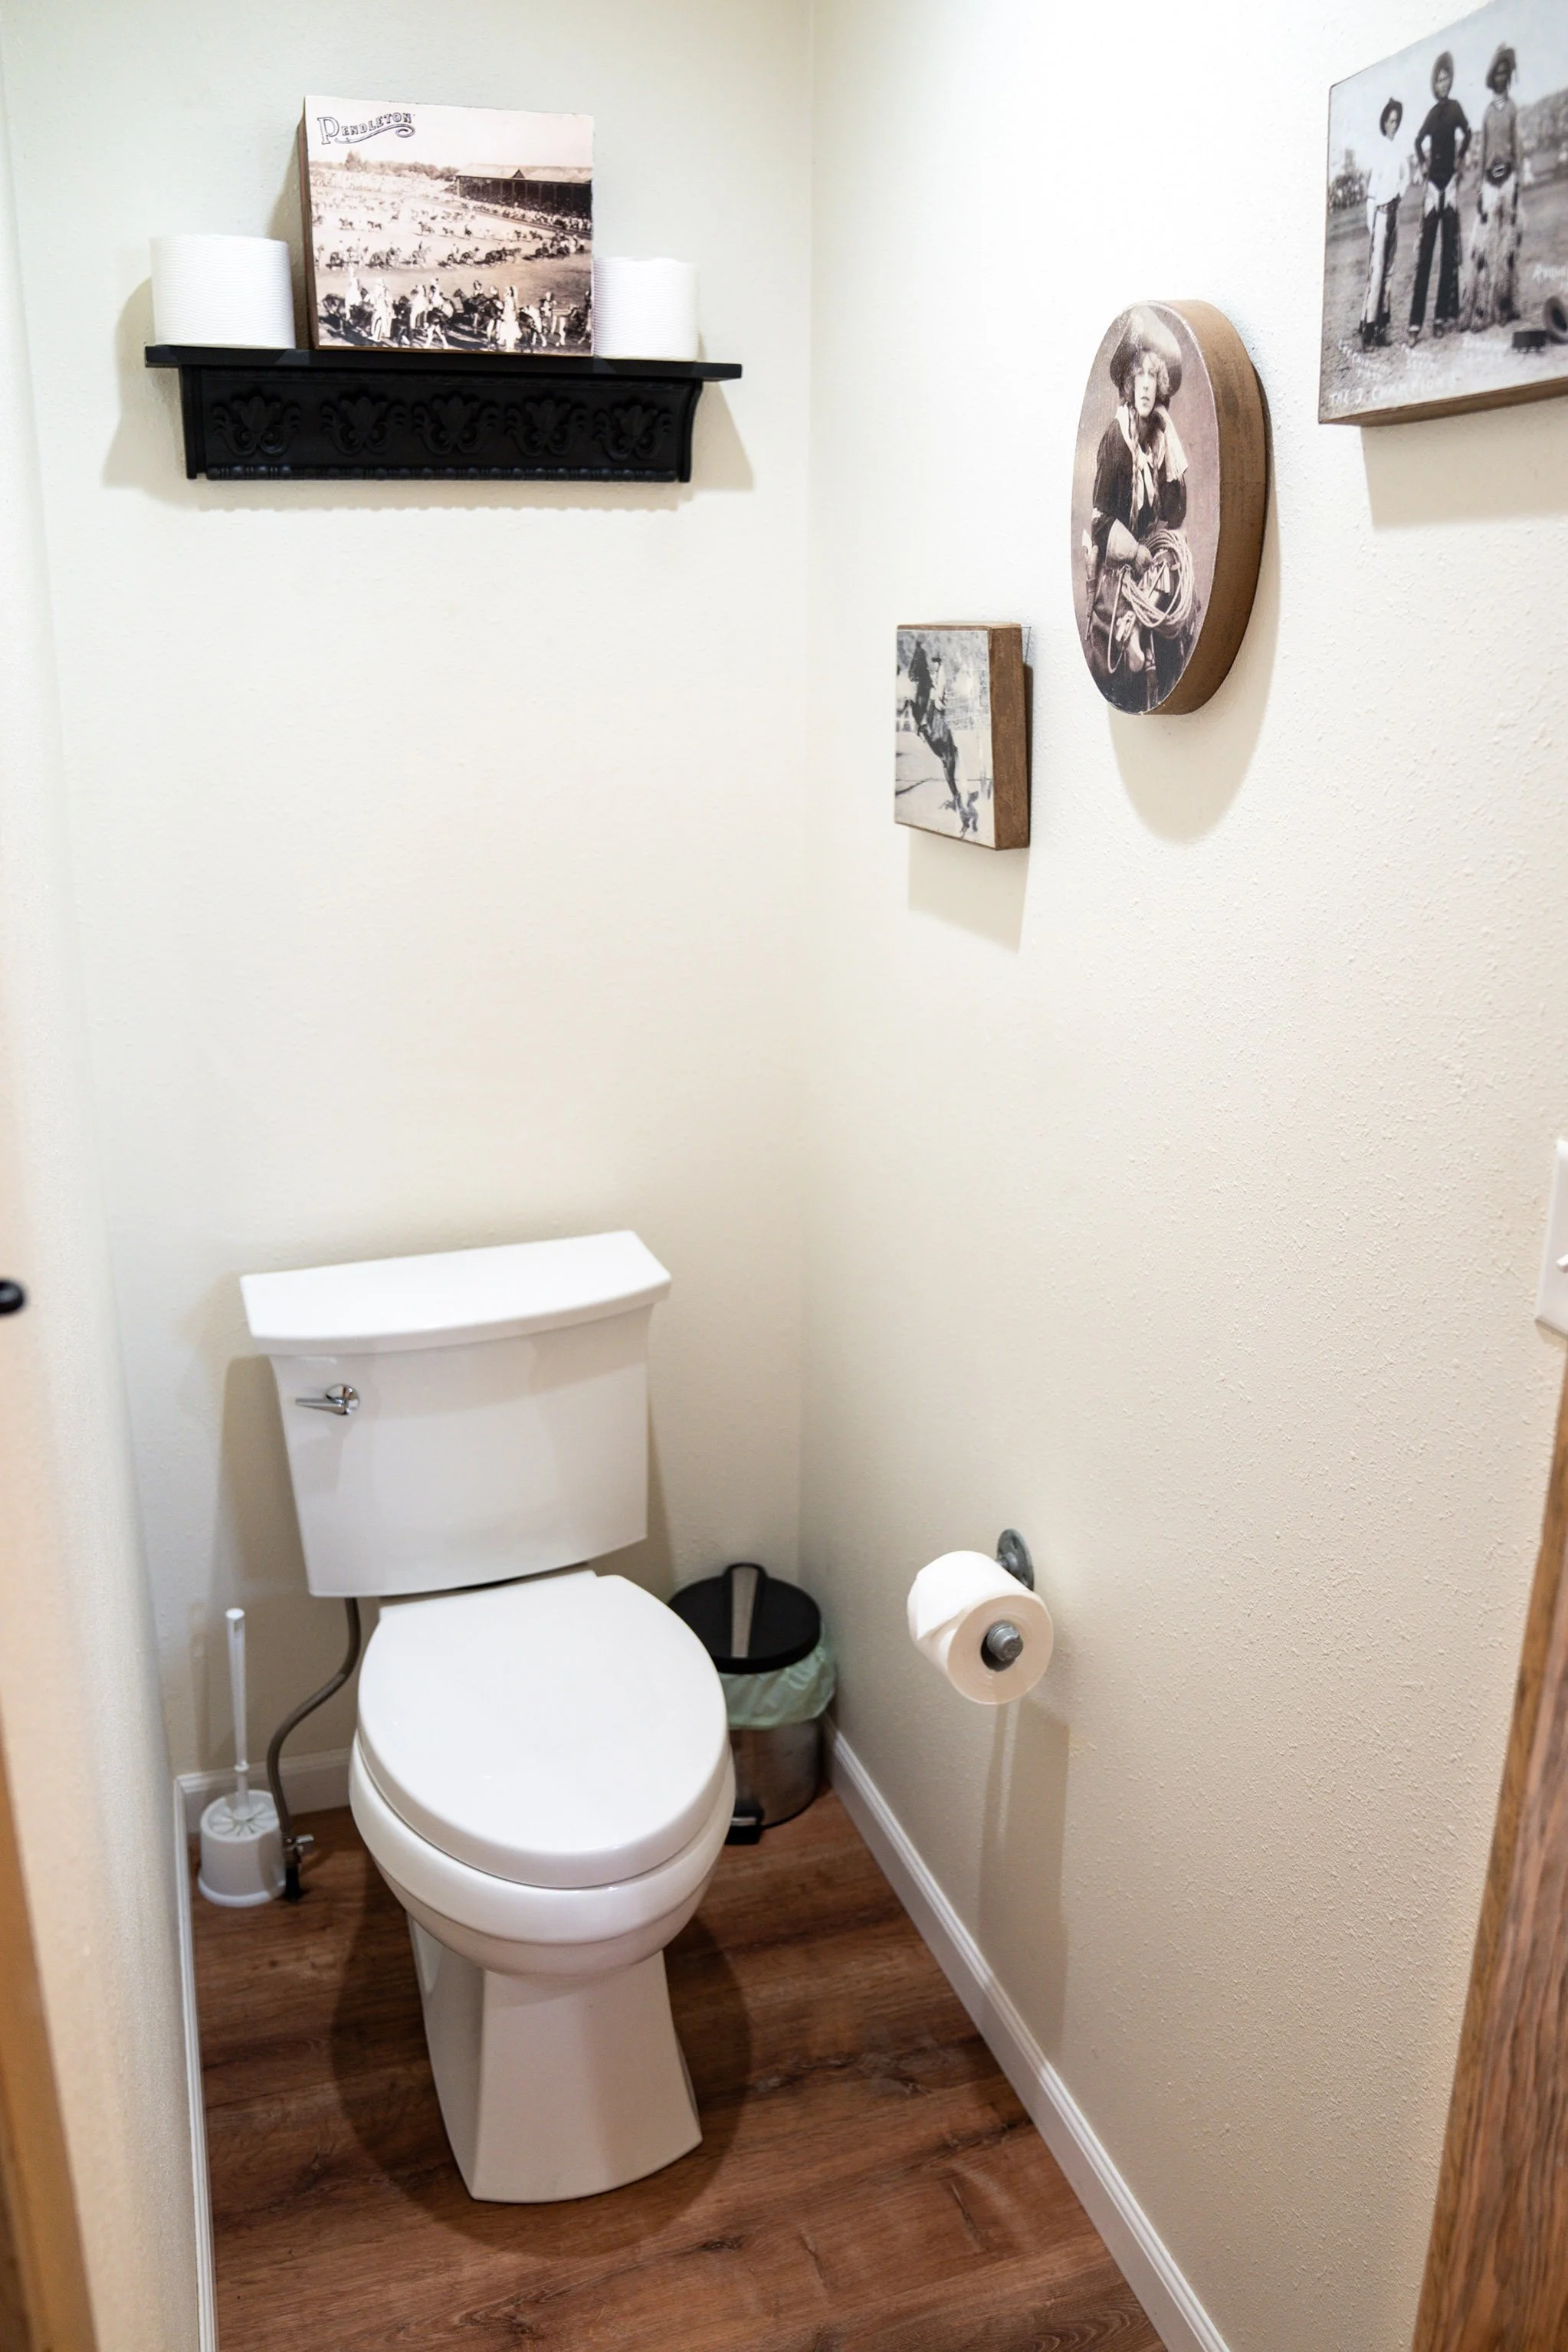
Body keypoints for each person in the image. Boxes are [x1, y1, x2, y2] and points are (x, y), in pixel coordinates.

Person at [1083, 308, 1197, 713]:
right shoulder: (1117, 440)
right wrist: (1133, 552)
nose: (1146, 387)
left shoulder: (1158, 440)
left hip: (1151, 559)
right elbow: (1099, 522)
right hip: (1122, 568)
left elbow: (1175, 514)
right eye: (1140, 378)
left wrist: (1172, 441)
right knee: (1127, 656)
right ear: (1129, 385)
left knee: (1181, 622)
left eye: (1154, 378)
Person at [1409, 51, 1471, 341]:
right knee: (1425, 258)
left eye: (1447, 79)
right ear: (1435, 83)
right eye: (1439, 80)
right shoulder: (1432, 114)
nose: (1443, 84)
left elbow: (1468, 134)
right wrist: (1423, 166)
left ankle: (1441, 318)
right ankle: (1414, 324)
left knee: (1448, 255)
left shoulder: (1456, 108)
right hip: (1434, 189)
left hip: (1451, 188)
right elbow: (1418, 141)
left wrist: (1459, 163)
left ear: (1451, 81)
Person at [1462, 44, 1522, 331]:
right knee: (1485, 245)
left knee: (1508, 243)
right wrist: (1478, 186)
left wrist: (1519, 178)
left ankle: (1505, 306)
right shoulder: (1487, 112)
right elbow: (1484, 148)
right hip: (1490, 182)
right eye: (1497, 73)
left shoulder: (1512, 108)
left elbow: (1517, 146)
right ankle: (1481, 311)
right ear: (1492, 77)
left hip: (1509, 180)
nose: (1501, 78)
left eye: (1505, 73)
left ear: (1508, 76)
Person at [1361, 99, 1407, 347]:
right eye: (1391, 121)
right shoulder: (1378, 151)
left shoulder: (1399, 150)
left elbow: (1406, 176)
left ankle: (1382, 328)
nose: (1394, 125)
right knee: (1377, 271)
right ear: (1384, 122)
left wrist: (1401, 191)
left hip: (1394, 213)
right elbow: (1371, 192)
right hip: (1379, 215)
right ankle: (1368, 327)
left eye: (1397, 121)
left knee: (1389, 271)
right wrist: (1373, 224)